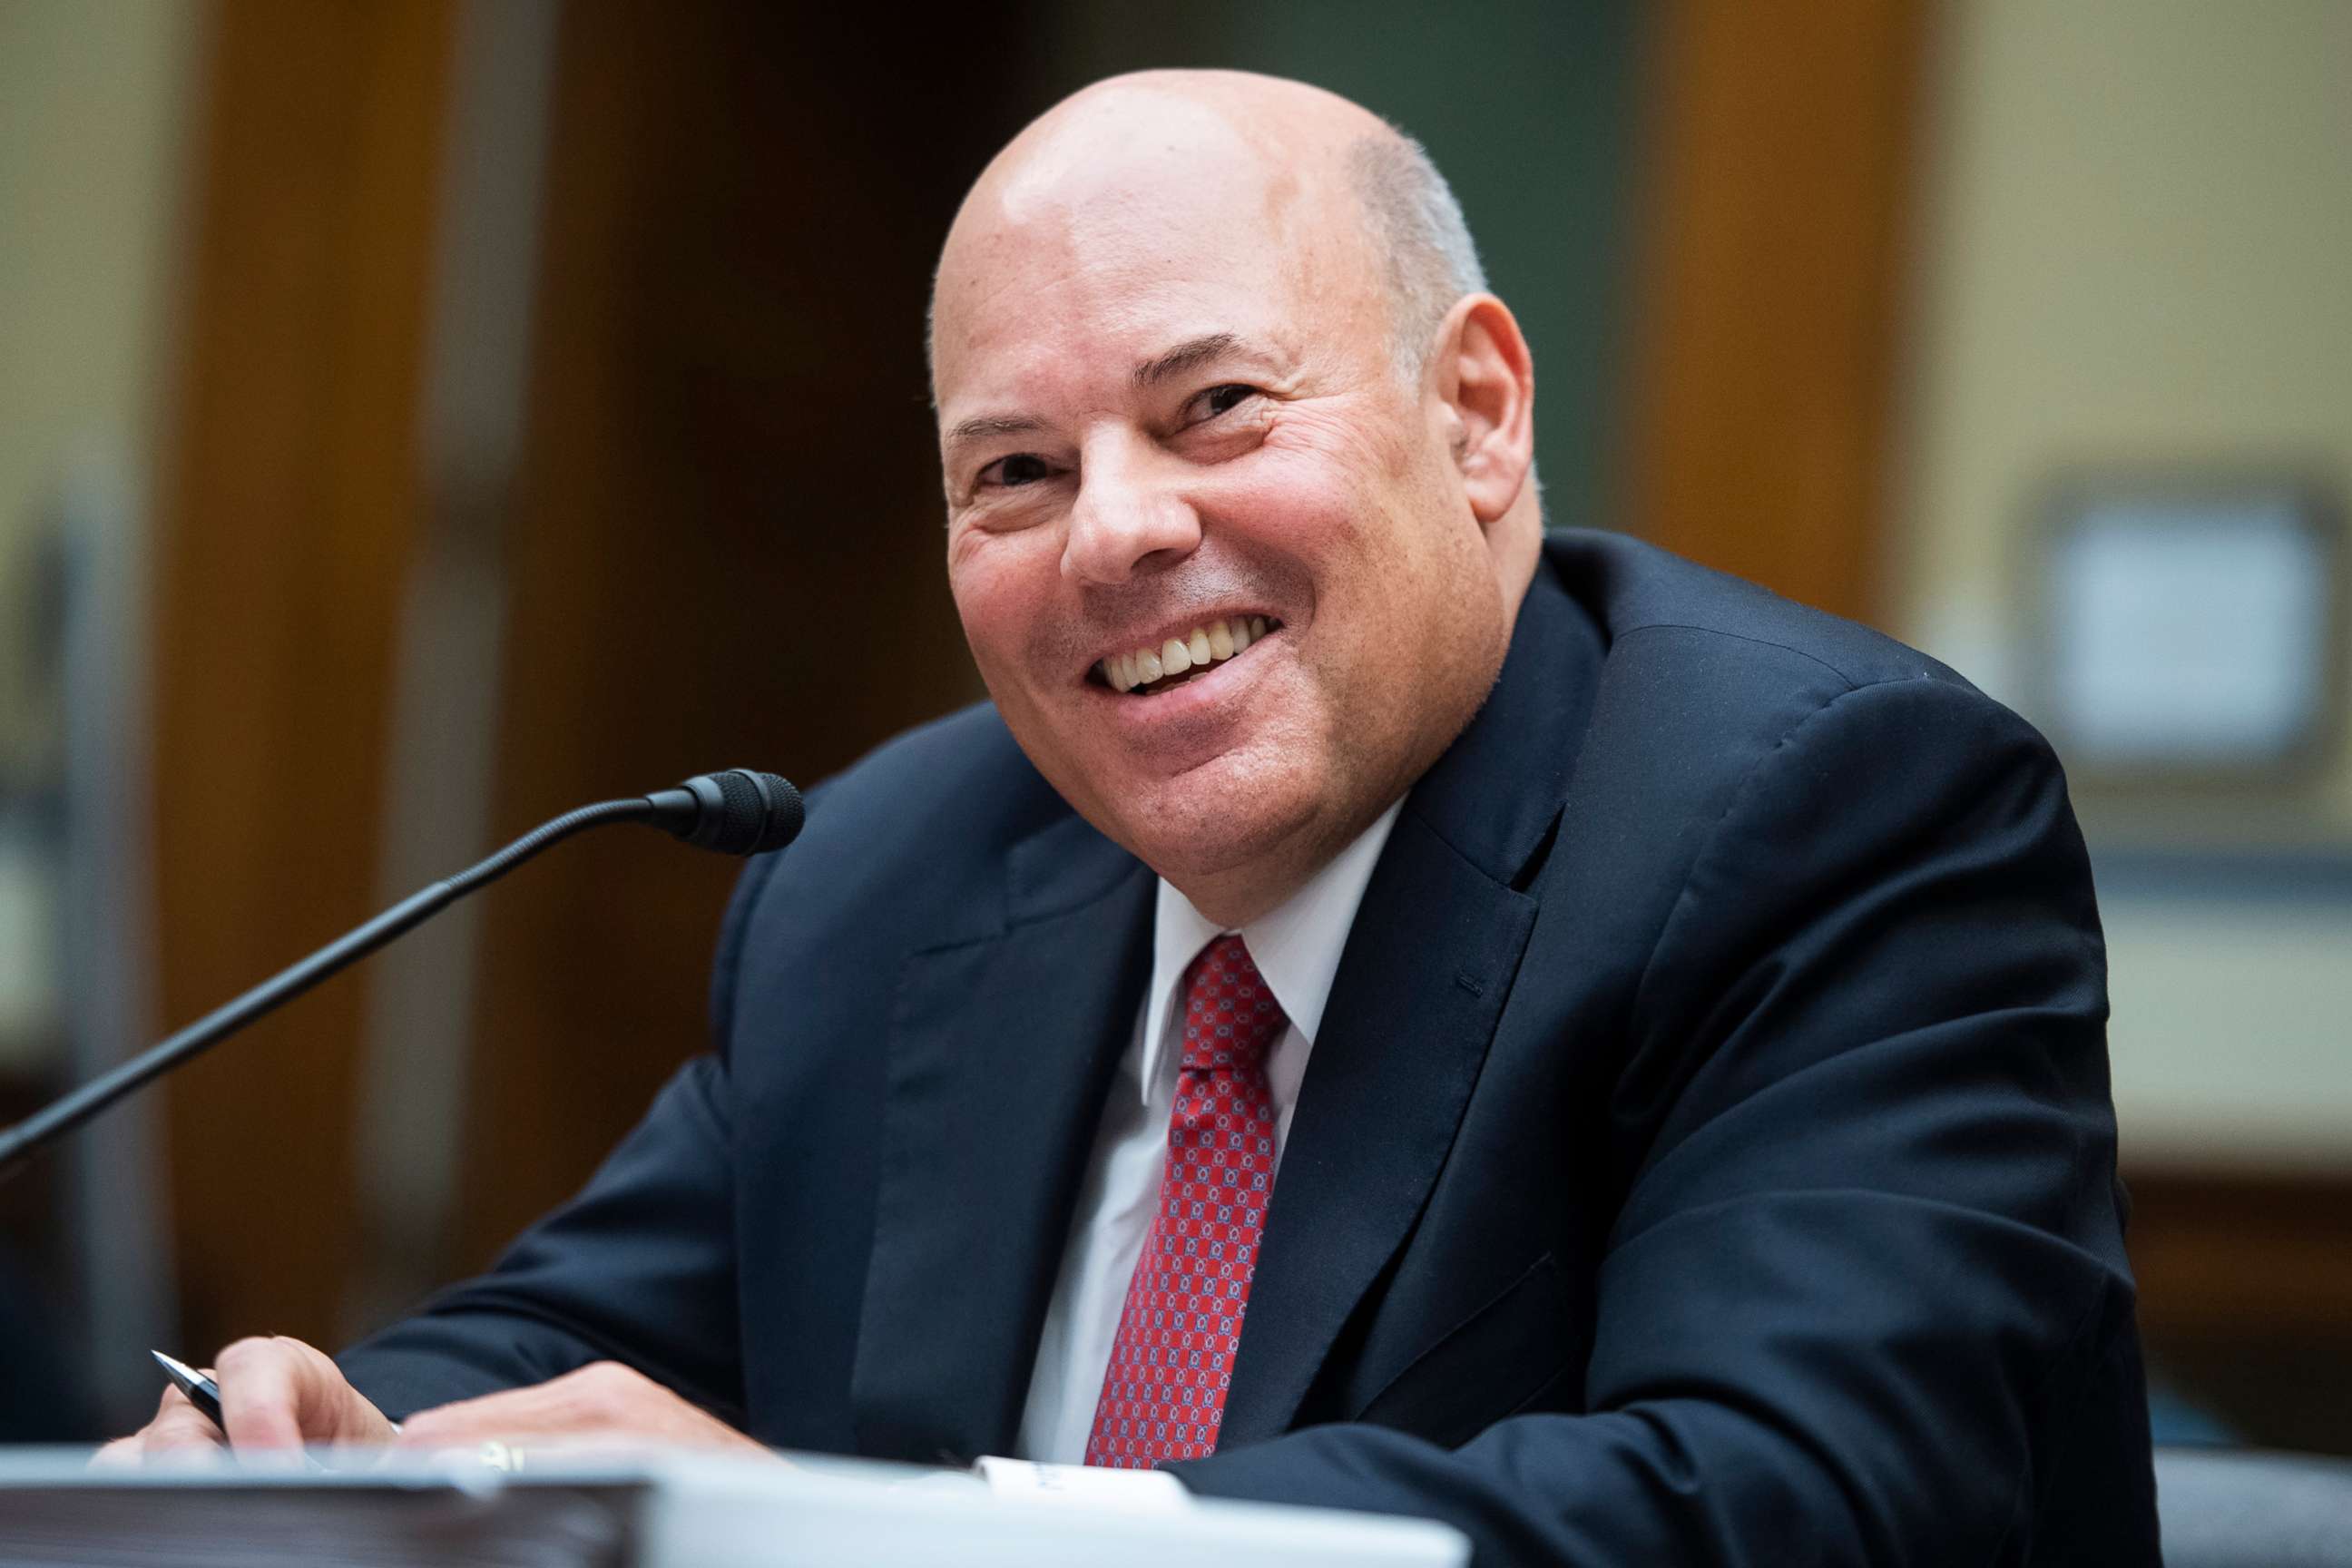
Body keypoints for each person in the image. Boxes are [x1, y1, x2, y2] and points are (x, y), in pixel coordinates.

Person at [104, 70, 2160, 1563]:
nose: (1116, 536)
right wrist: (327, 1438)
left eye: (1217, 411)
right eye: (1013, 472)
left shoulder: (1827, 815)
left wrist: (918, 1545)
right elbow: (568, 1342)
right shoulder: (889, 875)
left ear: (1478, 412)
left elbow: (1804, 1511)